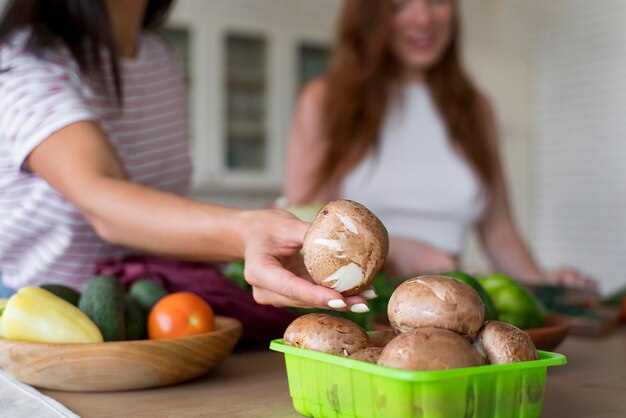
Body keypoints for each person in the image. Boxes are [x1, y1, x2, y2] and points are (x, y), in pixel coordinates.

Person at [0, 0, 372, 322]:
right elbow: (104, 202)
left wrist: (252, 233)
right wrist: (244, 232)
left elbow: (157, 207)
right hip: (38, 315)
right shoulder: (23, 64)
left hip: (146, 307)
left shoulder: (158, 57)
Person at [283, 0, 596, 289]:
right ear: (368, 15)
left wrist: (544, 288)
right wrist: (393, 249)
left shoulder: (476, 108)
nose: (423, 18)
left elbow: (499, 232)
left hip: (448, 304)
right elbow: (303, 224)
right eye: (399, 5)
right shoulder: (324, 101)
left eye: (437, 0)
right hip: (359, 306)